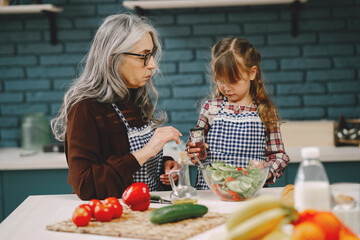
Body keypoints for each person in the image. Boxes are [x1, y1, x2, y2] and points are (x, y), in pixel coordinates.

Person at [51, 13, 182, 200]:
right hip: (115, 214)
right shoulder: (85, 107)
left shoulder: (134, 96)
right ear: (114, 58)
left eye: (151, 54)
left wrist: (165, 166)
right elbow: (85, 186)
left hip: (148, 207)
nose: (152, 65)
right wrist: (146, 152)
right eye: (143, 56)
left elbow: (134, 164)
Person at [187, 37, 290, 189]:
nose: (226, 88)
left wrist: (266, 172)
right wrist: (194, 152)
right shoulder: (210, 109)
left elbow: (279, 155)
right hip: (211, 193)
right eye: (221, 81)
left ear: (252, 73)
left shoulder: (265, 111)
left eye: (233, 81)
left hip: (249, 192)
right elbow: (195, 145)